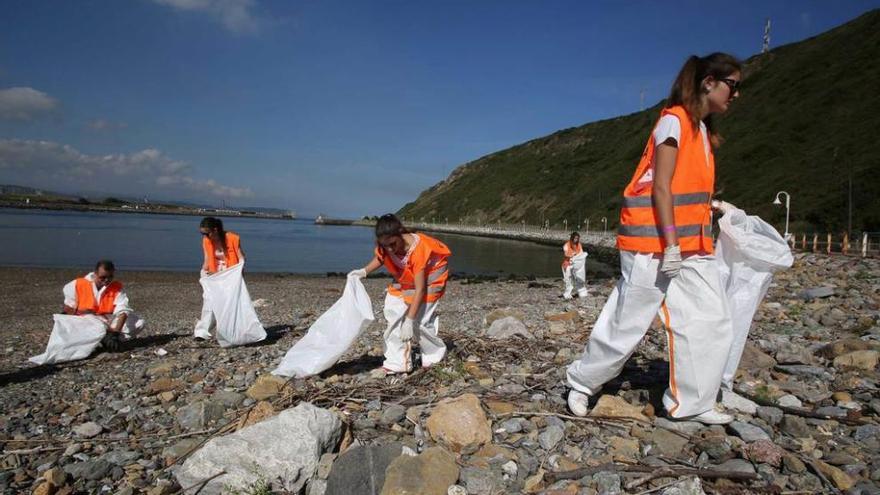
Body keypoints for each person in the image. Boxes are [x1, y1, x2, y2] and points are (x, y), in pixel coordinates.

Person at [565, 53, 742, 425]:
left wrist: (713, 208)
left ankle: (694, 402)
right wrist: (671, 244)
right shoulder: (673, 122)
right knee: (629, 320)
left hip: (691, 245)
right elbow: (660, 187)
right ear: (709, 82)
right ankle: (581, 382)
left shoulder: (704, 133)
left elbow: (683, 191)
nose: (736, 95)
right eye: (733, 85)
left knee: (711, 318)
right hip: (653, 243)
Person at [349, 214, 452, 374]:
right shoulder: (387, 246)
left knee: (420, 322)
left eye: (392, 244)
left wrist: (409, 320)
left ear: (400, 234)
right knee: (393, 313)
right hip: (405, 275)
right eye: (385, 245)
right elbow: (381, 257)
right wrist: (363, 271)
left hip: (431, 277)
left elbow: (420, 289)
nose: (390, 248)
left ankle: (434, 356)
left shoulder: (418, 250)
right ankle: (398, 362)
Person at [62, 259, 145, 351]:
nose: (106, 280)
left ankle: (108, 339)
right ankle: (101, 339)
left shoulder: (116, 288)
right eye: (103, 277)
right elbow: (69, 308)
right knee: (94, 326)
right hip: (84, 320)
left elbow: (123, 311)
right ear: (95, 274)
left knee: (138, 323)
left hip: (106, 320)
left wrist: (115, 333)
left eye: (110, 277)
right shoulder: (78, 284)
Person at [193, 216, 245, 340]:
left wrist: (240, 272)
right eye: (202, 233)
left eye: (206, 233)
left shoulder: (232, 238)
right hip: (213, 274)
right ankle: (202, 332)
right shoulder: (206, 241)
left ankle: (230, 332)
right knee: (209, 301)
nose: (204, 236)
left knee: (229, 304)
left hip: (229, 274)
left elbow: (241, 257)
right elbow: (207, 258)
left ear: (215, 230)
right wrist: (204, 272)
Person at [562, 232, 588, 299]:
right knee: (568, 280)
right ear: (572, 238)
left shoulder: (579, 245)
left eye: (577, 238)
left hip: (576, 265)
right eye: (575, 238)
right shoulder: (566, 245)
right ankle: (567, 294)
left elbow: (581, 254)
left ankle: (582, 292)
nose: (576, 239)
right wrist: (573, 255)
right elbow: (566, 254)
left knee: (578, 278)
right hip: (567, 265)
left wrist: (577, 257)